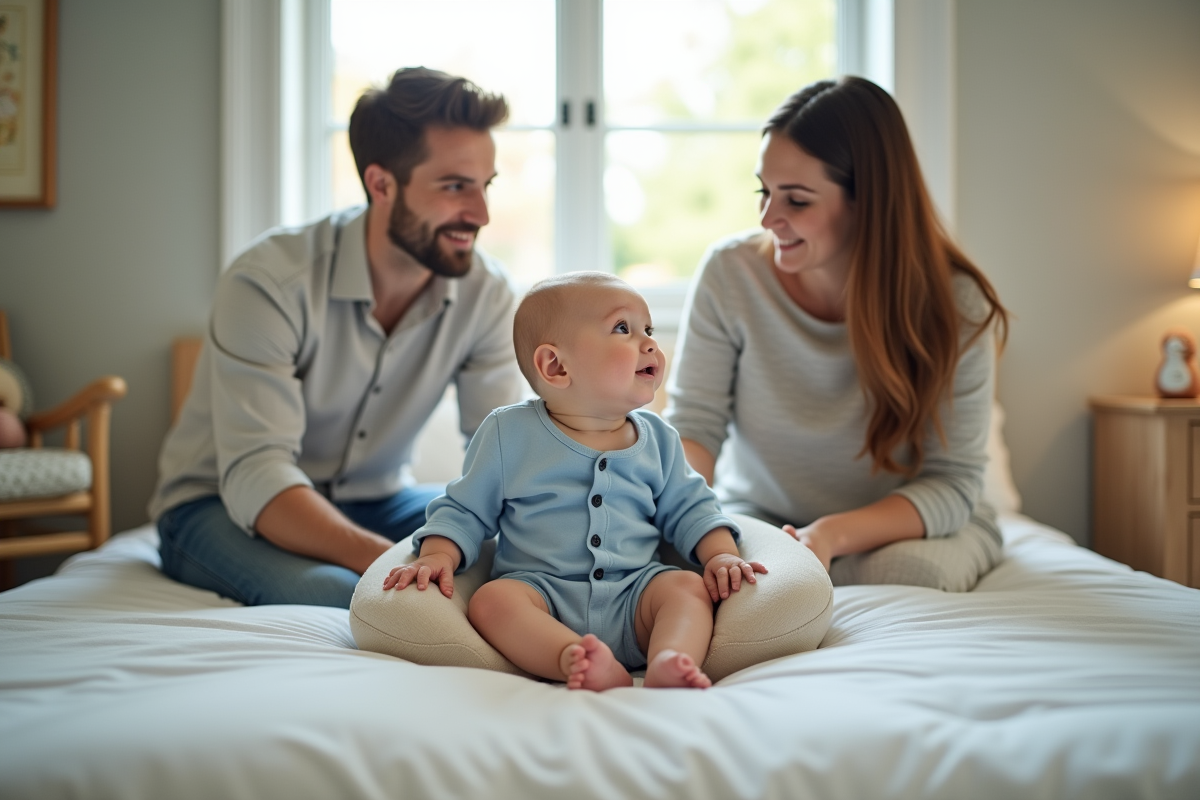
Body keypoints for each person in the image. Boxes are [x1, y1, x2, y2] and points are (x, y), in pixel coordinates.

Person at [149, 68, 523, 608]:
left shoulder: (485, 294)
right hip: (220, 505)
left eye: (485, 186)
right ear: (381, 184)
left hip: (379, 499)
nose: (481, 214)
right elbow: (259, 473)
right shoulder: (269, 281)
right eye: (454, 186)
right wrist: (392, 561)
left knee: (502, 563)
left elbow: (500, 460)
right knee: (351, 596)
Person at [666, 76, 1010, 593]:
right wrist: (676, 514)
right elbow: (695, 427)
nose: (768, 217)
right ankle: (799, 579)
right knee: (694, 568)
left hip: (905, 529)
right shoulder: (730, 274)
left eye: (797, 200)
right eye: (764, 191)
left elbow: (953, 483)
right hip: (761, 516)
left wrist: (829, 536)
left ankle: (812, 580)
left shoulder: (956, 305)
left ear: (867, 202)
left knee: (906, 576)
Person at [383, 273, 766, 690]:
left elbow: (692, 508)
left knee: (686, 587)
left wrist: (721, 556)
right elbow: (464, 510)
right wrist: (438, 555)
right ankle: (573, 658)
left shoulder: (658, 439)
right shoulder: (507, 433)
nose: (649, 342)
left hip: (635, 595)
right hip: (541, 596)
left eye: (649, 329)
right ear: (556, 365)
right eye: (623, 328)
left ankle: (669, 659)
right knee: (491, 602)